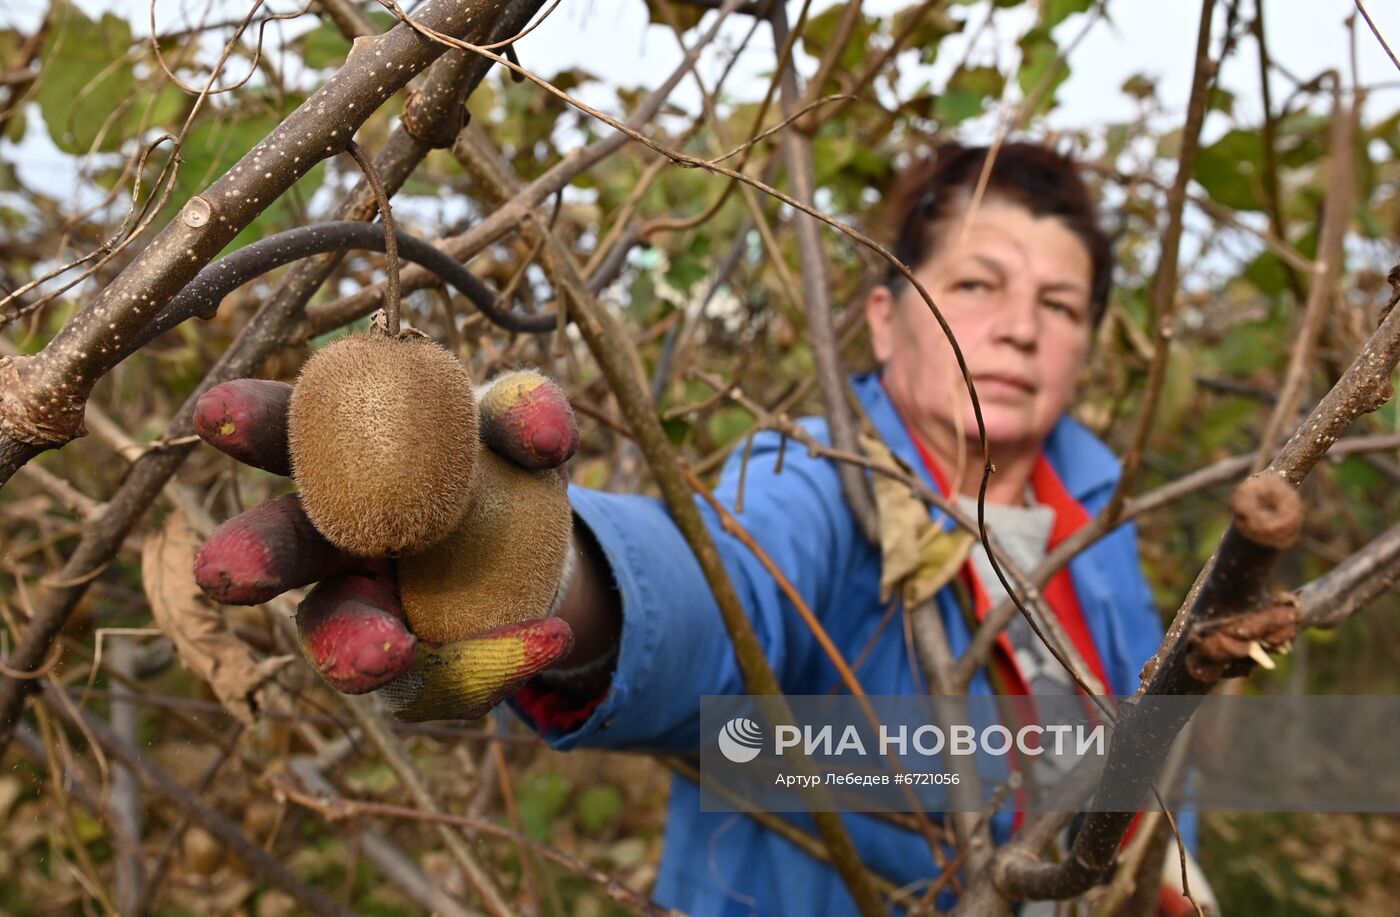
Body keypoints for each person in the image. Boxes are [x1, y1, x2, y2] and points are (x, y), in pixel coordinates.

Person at [192, 141, 1206, 915]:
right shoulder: (810, 475)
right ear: (888, 317)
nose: (1020, 326)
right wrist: (535, 562)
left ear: (1086, 344)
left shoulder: (1101, 510)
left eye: (1059, 303)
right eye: (977, 285)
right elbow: (717, 589)